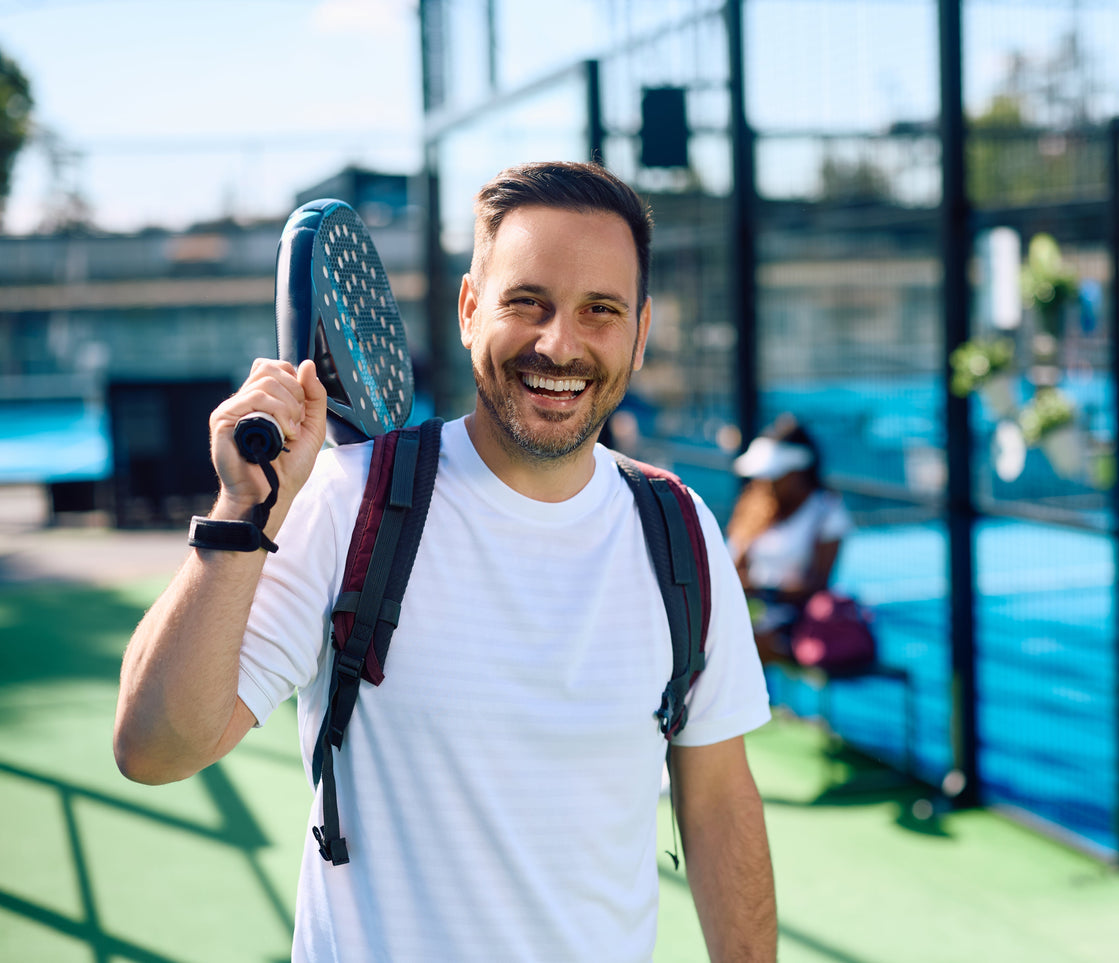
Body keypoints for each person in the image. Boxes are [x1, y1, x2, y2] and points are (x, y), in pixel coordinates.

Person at [113, 161, 777, 962]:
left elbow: (718, 805)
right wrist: (240, 513)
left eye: (598, 310)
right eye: (525, 301)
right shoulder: (346, 498)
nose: (558, 343)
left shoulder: (679, 530)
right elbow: (154, 748)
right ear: (470, 309)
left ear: (638, 337)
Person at [725, 416, 852, 665]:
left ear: (798, 471)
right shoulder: (754, 503)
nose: (765, 481)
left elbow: (817, 585)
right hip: (750, 613)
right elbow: (735, 563)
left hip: (795, 623)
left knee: (745, 642)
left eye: (775, 474)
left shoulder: (827, 511)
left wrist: (763, 593)